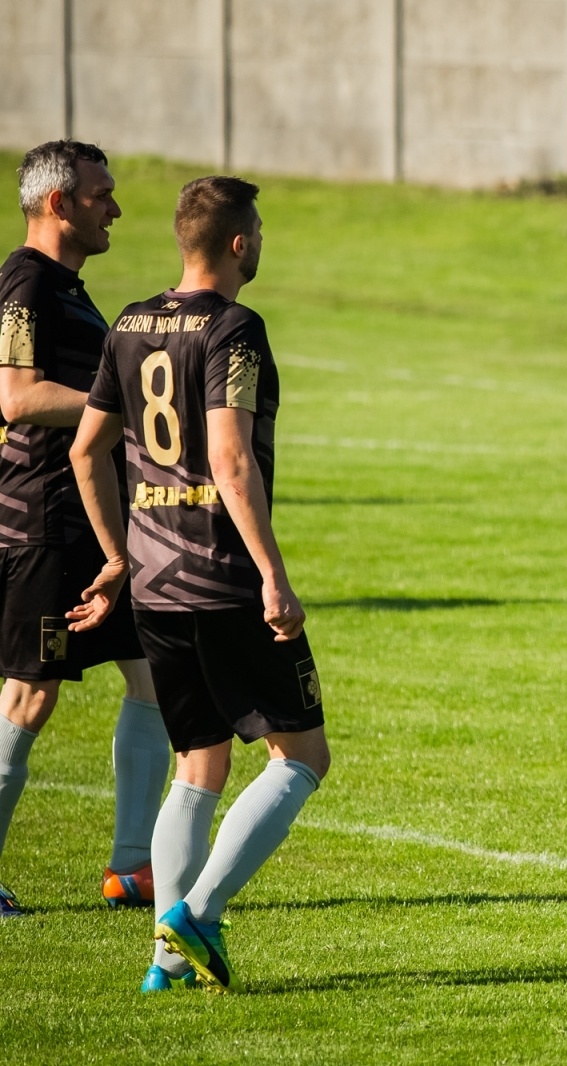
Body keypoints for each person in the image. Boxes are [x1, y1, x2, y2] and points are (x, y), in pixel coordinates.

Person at [69, 176, 329, 991]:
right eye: (259, 229)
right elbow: (228, 457)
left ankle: (163, 963)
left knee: (198, 765)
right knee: (300, 757)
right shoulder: (235, 329)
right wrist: (273, 576)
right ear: (240, 242)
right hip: (219, 579)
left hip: (154, 582)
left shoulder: (130, 321)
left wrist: (117, 556)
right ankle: (198, 914)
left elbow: (86, 451)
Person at [0, 140, 168, 918]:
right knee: (30, 698)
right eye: (101, 195)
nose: (116, 208)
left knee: (150, 679)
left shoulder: (68, 289)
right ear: (59, 204)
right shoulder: (26, 285)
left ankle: (132, 868)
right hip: (44, 525)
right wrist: (124, 399)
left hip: (100, 528)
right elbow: (18, 400)